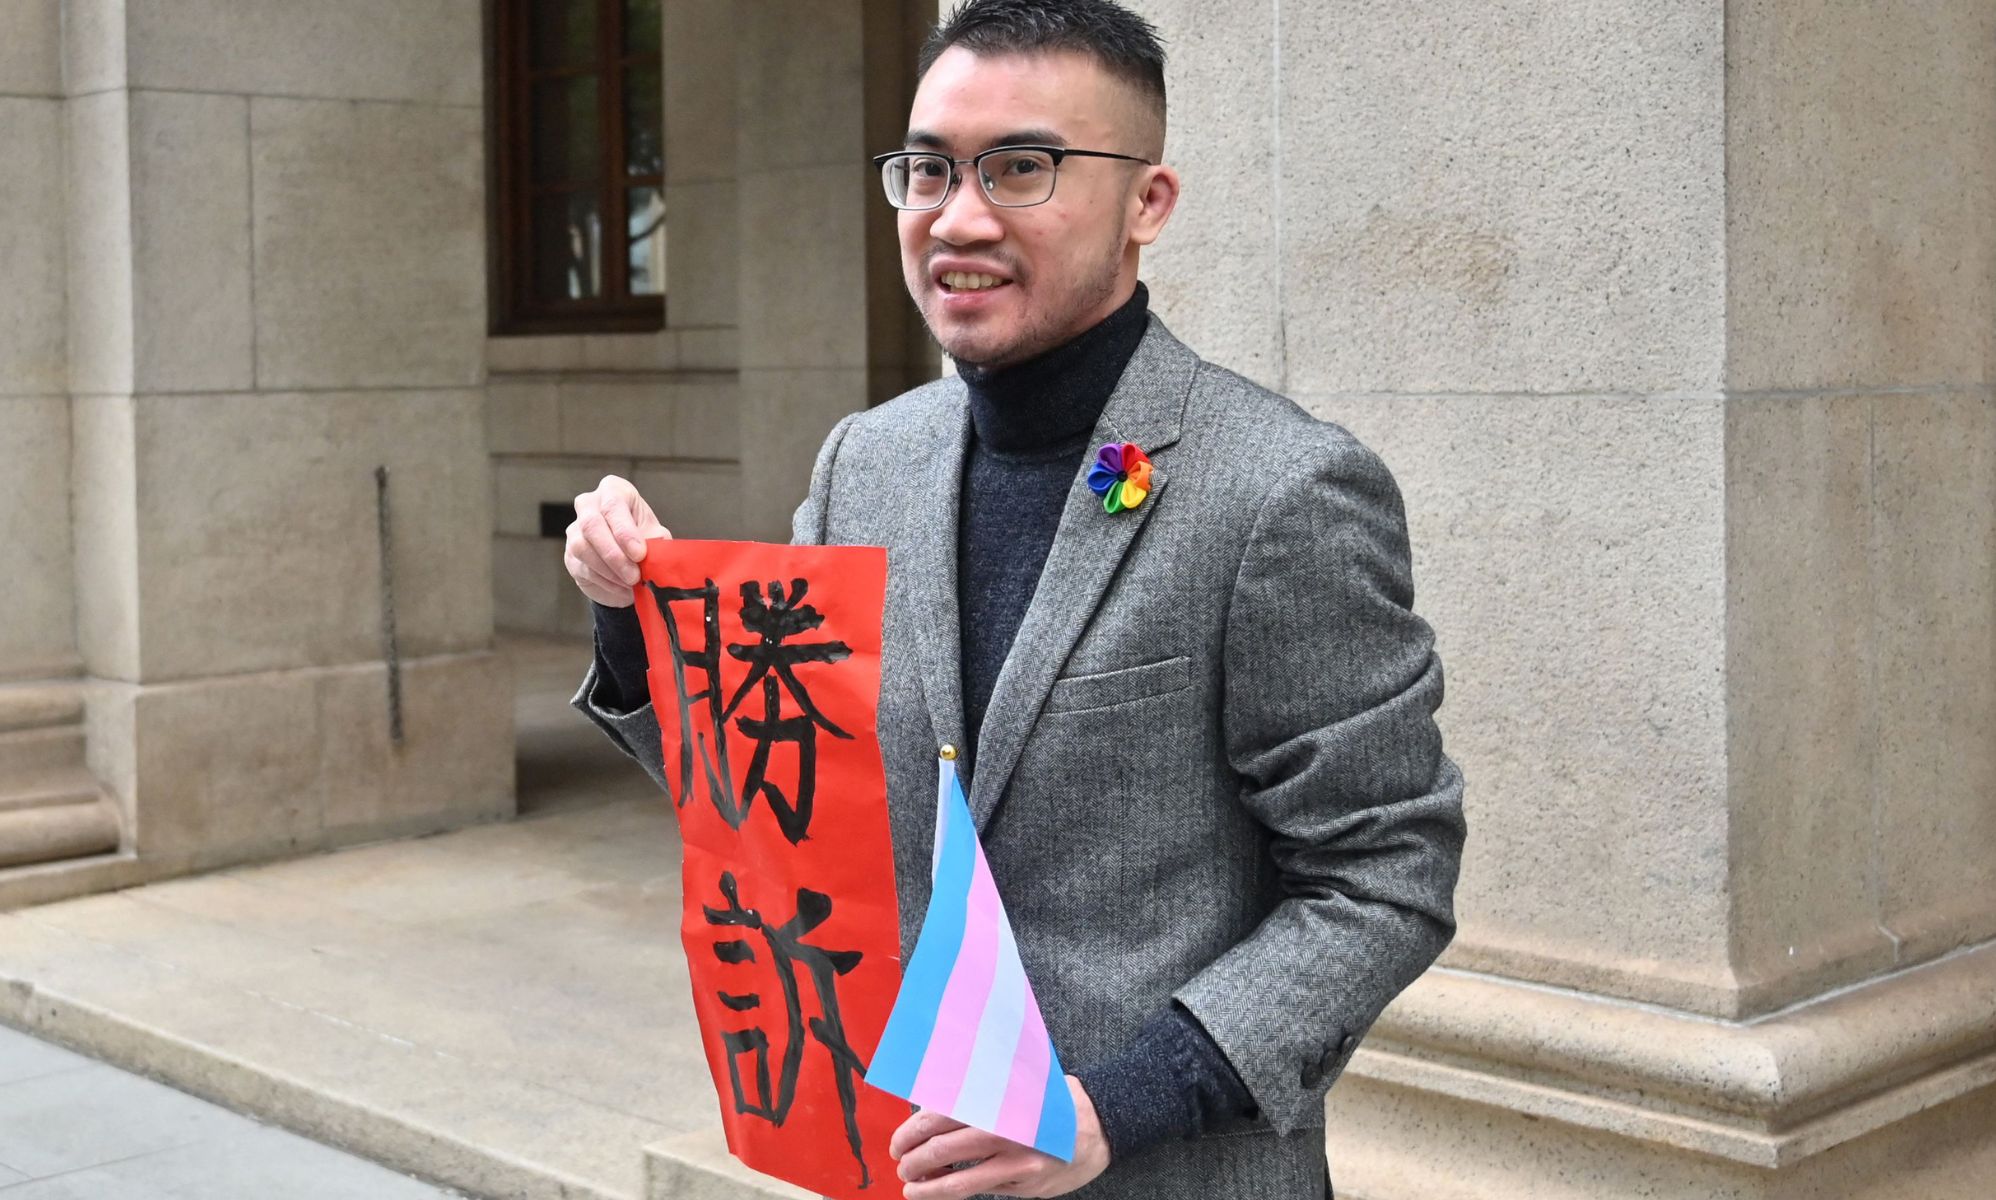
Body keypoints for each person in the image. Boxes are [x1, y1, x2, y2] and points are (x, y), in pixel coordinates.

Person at [564, 2, 1466, 1197]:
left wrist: (1117, 1105)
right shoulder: (863, 465)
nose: (959, 215)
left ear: (1148, 202)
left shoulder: (1280, 490)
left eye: (1023, 168)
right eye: (928, 168)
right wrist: (632, 621)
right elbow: (777, 811)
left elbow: (1382, 876)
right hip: (897, 1160)